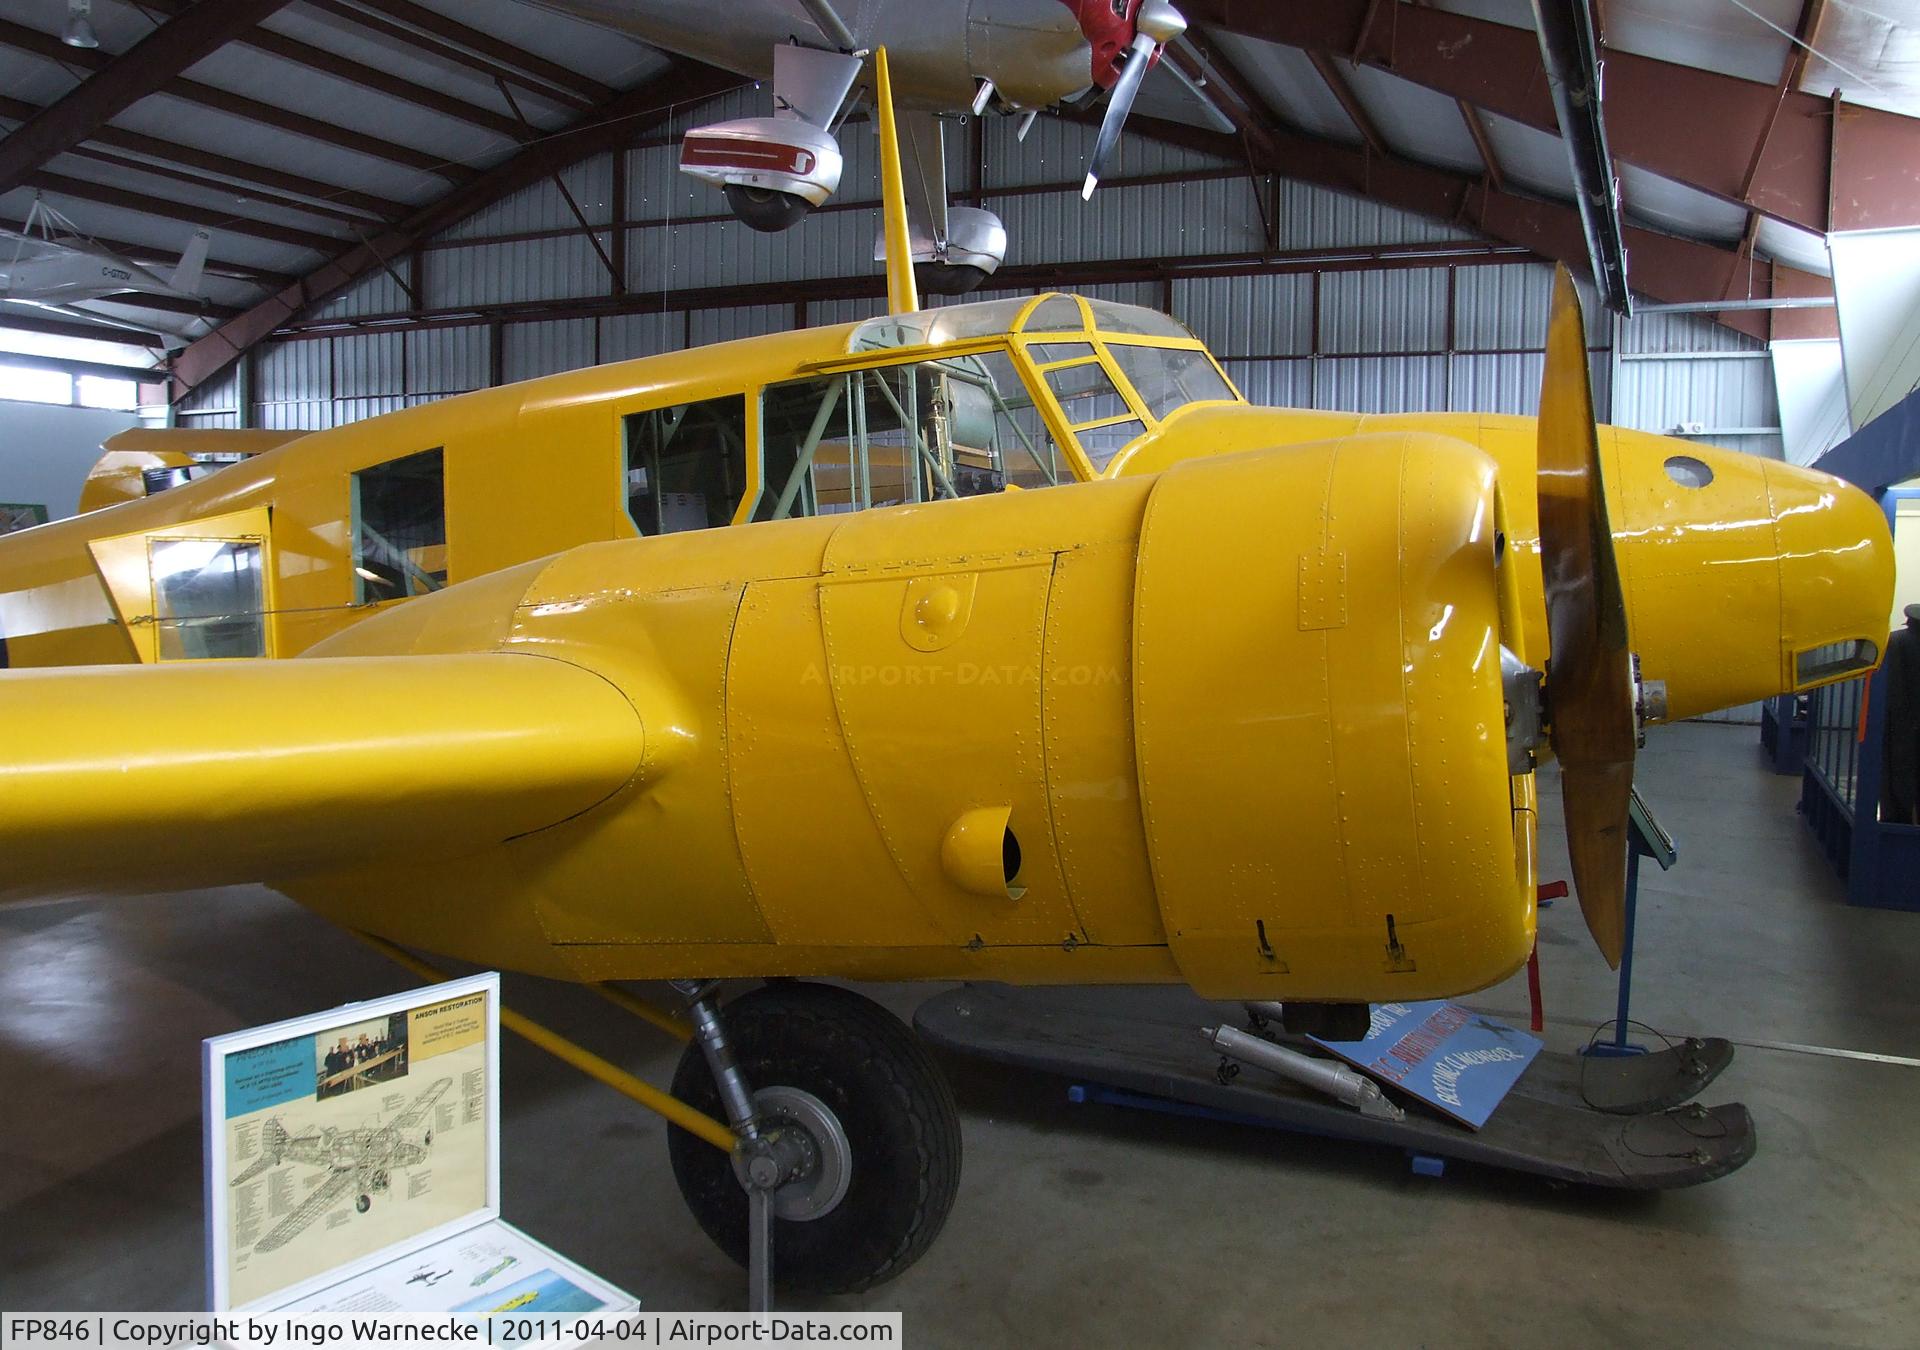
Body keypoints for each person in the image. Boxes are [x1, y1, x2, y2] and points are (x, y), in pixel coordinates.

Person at [1881, 603, 1920, 824]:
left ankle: (1896, 821)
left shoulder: (1896, 641)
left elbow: (1894, 687)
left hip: (1899, 723)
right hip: (1911, 719)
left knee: (1896, 775)